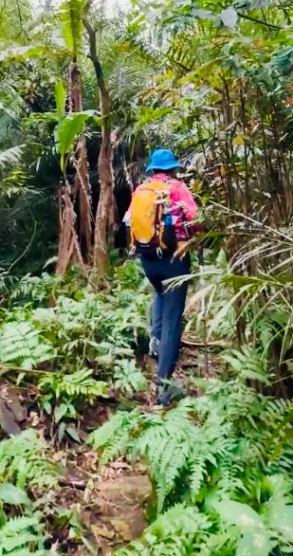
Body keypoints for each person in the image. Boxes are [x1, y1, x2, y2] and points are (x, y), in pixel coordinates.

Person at [124, 148, 200, 406]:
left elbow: (128, 221)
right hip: (173, 260)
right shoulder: (177, 188)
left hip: (148, 259)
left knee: (160, 293)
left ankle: (156, 344)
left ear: (153, 169)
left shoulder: (141, 190)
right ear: (173, 168)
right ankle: (163, 391)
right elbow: (195, 218)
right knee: (173, 320)